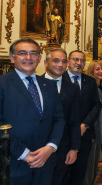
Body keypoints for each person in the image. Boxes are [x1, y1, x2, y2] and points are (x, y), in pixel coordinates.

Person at [0, 38, 65, 185]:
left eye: (33, 53)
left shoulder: (49, 85)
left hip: (46, 162)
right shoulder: (2, 84)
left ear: (40, 58)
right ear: (12, 58)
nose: (28, 58)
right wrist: (25, 154)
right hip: (15, 162)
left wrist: (50, 147)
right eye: (22, 53)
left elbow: (59, 118)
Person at [44, 48, 81, 185]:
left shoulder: (72, 88)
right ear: (46, 62)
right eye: (56, 61)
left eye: (64, 61)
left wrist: (74, 148)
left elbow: (75, 120)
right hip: (38, 148)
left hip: (63, 148)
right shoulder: (35, 83)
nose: (60, 65)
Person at [65, 50, 102, 185]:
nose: (79, 63)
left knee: (79, 171)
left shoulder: (90, 81)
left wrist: (85, 124)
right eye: (75, 59)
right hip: (64, 134)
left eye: (82, 60)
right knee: (63, 172)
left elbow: (97, 105)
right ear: (68, 61)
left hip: (84, 134)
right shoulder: (60, 78)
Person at [84, 60, 102, 185]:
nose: (101, 71)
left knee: (94, 164)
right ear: (91, 71)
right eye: (97, 69)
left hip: (100, 132)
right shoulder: (90, 87)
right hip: (92, 132)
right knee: (88, 165)